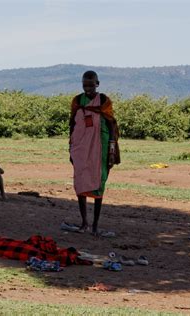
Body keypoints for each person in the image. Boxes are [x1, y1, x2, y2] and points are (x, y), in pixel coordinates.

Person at [69, 71, 120, 235]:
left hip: (101, 147)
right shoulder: (77, 101)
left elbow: (111, 124)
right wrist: (71, 148)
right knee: (80, 181)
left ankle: (96, 225)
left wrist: (112, 149)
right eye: (85, 85)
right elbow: (72, 125)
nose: (88, 88)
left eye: (91, 85)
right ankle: (84, 223)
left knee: (99, 182)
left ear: (97, 83)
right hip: (80, 148)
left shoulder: (104, 101)